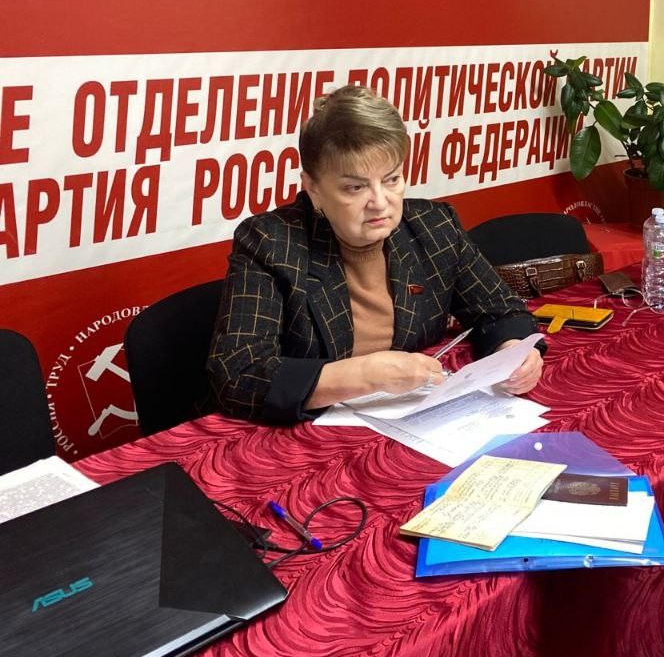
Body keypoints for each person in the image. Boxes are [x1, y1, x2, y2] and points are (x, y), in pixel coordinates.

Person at [206, 84, 543, 424]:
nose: (380, 203)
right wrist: (364, 375)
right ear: (313, 188)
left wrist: (513, 350)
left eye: (392, 179)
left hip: (416, 420)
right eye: (355, 187)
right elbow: (239, 374)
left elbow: (500, 310)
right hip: (307, 432)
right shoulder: (271, 241)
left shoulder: (433, 226)